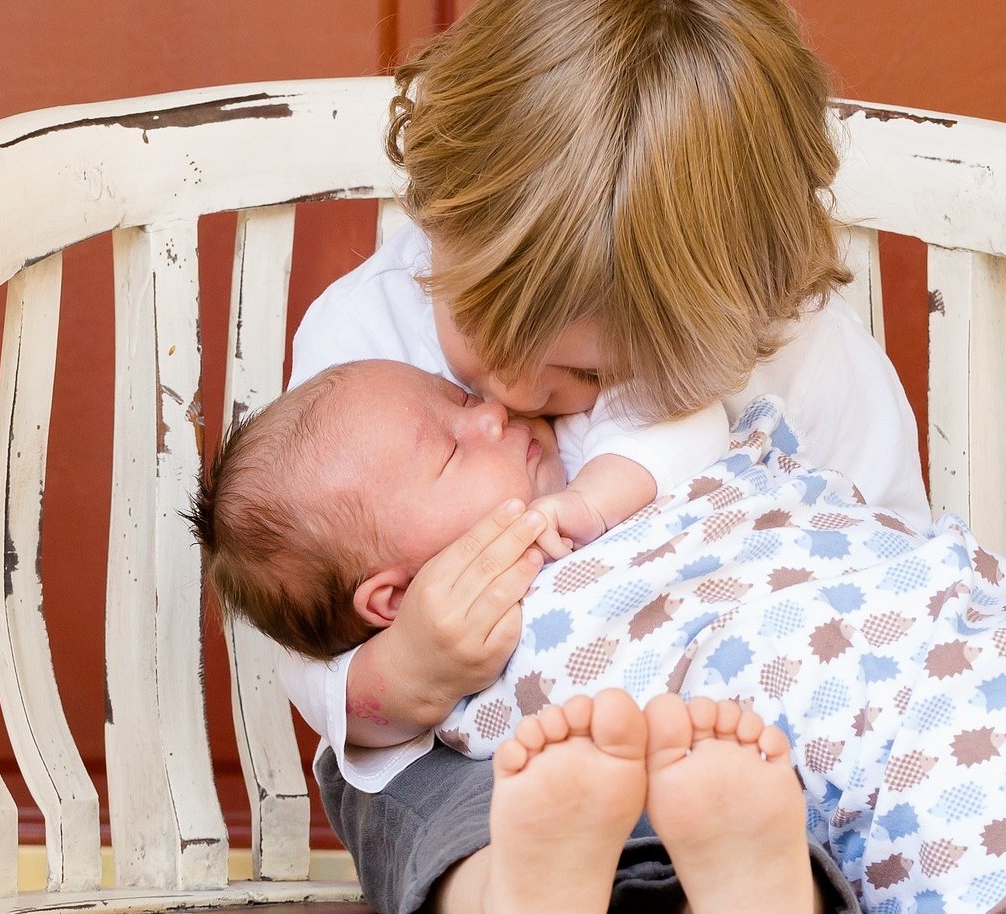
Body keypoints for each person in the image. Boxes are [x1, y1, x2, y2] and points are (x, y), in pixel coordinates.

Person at [265, 1, 932, 911]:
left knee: (786, 791)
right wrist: (409, 670)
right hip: (493, 749)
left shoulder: (797, 349)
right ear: (438, 218)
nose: (510, 394)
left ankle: (756, 886)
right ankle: (510, 887)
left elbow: (888, 560)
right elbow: (309, 610)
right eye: (479, 328)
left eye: (587, 371)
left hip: (745, 729)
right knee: (426, 798)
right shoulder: (365, 334)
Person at [194, 367, 1006, 914]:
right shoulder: (485, 628)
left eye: (463, 401)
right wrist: (414, 667)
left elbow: (715, 456)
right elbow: (362, 720)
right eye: (450, 450)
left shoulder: (600, 451)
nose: (497, 417)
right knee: (541, 765)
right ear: (389, 595)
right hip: (750, 730)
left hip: (897, 639)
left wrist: (600, 501)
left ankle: (730, 882)